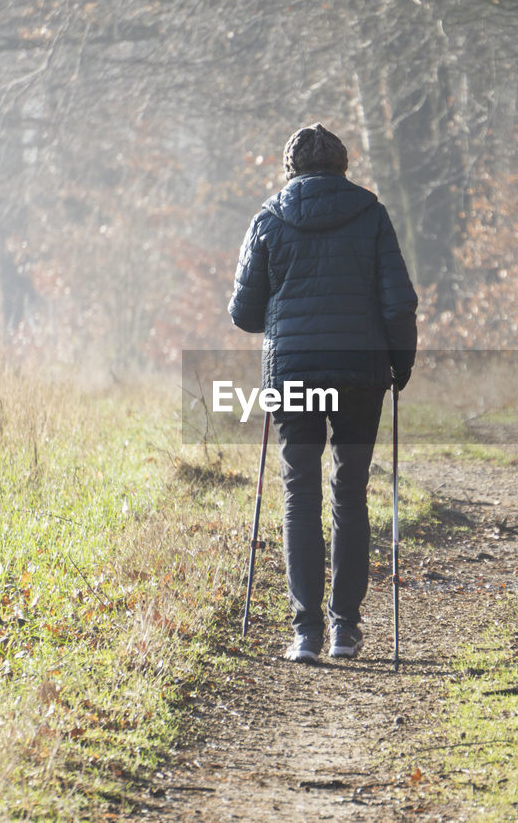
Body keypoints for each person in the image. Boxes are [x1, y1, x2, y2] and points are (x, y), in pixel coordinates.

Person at [229, 123, 418, 664]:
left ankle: (306, 632)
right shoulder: (372, 214)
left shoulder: (268, 218)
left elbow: (244, 313)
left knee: (299, 495)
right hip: (360, 375)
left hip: (293, 375)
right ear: (342, 166)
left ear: (290, 168)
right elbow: (398, 303)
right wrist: (399, 366)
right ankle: (345, 630)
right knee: (350, 494)